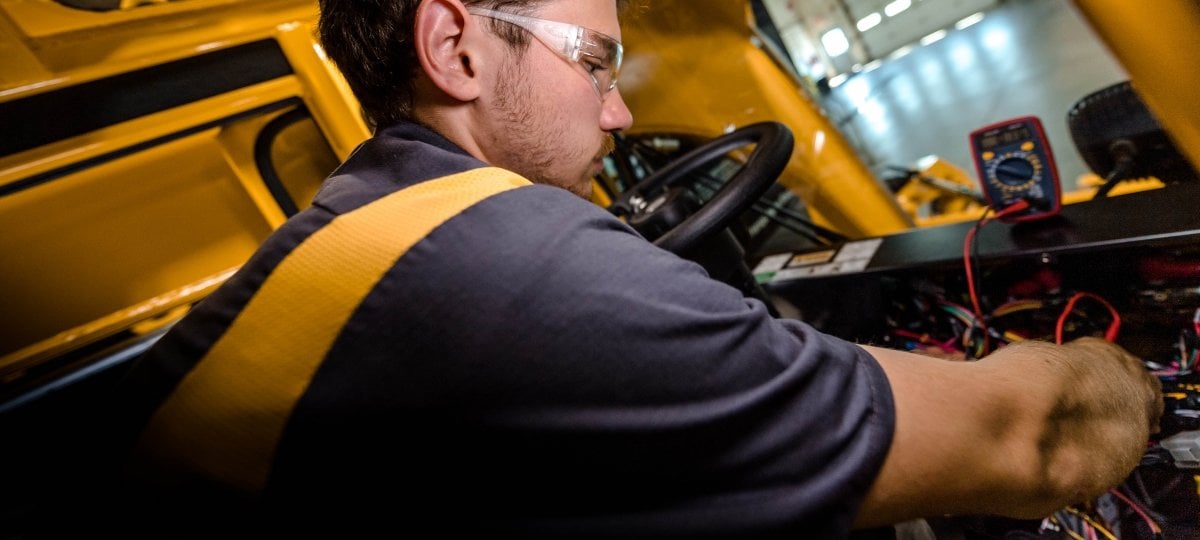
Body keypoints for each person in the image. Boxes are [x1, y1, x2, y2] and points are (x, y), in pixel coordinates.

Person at [102, 0, 1161, 537]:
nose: (622, 110)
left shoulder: (371, 221)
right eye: (596, 63)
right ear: (457, 48)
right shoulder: (513, 266)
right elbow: (1036, 438)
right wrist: (1136, 371)